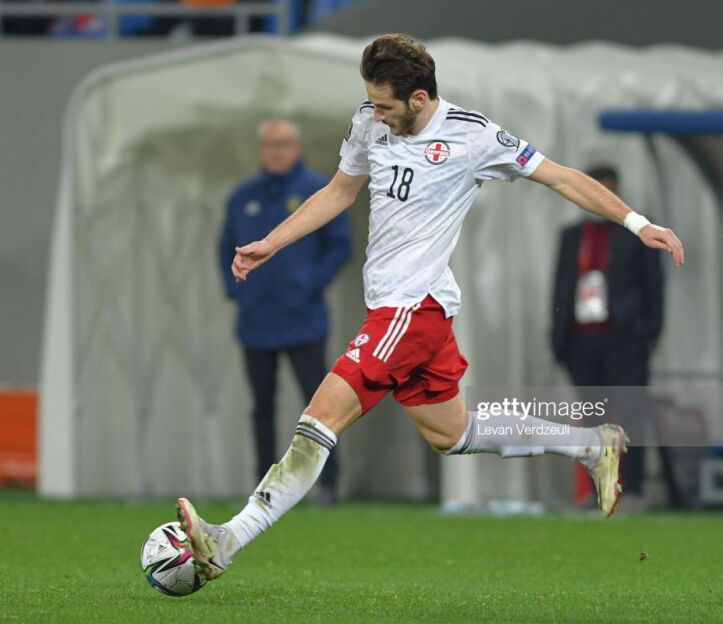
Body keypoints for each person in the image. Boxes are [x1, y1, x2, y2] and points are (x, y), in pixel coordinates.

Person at [178, 33, 685, 581]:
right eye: (371, 102)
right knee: (453, 434)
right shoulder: (368, 121)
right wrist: (272, 243)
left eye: (385, 105)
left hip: (410, 309)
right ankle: (590, 445)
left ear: (419, 98)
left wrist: (639, 224)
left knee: (318, 420)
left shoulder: (473, 136)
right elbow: (339, 191)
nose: (375, 114)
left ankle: (228, 540)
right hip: (406, 310)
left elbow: (562, 177)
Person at [219, 117, 351, 504]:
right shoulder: (243, 196)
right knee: (262, 405)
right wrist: (237, 291)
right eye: (270, 145)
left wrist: (309, 284)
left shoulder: (318, 191)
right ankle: (264, 490)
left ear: (297, 148)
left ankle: (327, 485)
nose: (276, 152)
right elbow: (224, 247)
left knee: (320, 405)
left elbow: (339, 246)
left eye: (284, 145)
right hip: (256, 320)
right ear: (261, 150)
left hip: (304, 320)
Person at [551, 166, 664, 508]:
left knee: (629, 412)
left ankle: (634, 489)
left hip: (623, 337)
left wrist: (650, 331)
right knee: (593, 416)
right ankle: (598, 490)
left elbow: (653, 285)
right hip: (582, 339)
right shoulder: (572, 236)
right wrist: (558, 337)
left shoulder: (634, 235)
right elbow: (561, 286)